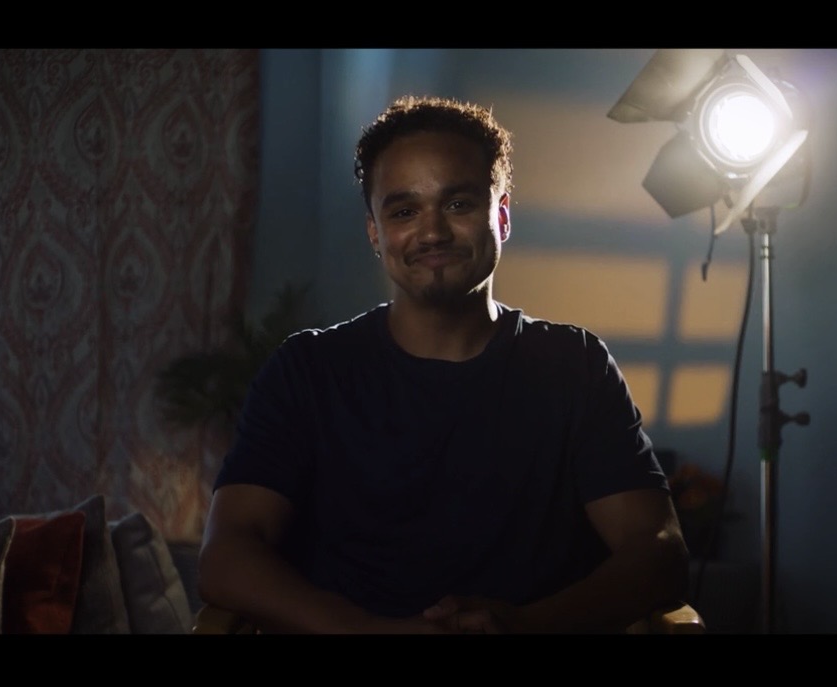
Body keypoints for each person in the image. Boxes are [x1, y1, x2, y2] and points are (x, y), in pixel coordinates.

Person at [197, 94, 689, 633]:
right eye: (404, 211)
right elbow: (226, 554)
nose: (432, 232)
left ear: (501, 215)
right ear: (375, 232)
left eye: (458, 204)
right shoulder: (307, 371)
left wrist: (524, 626)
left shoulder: (575, 367)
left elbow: (659, 550)